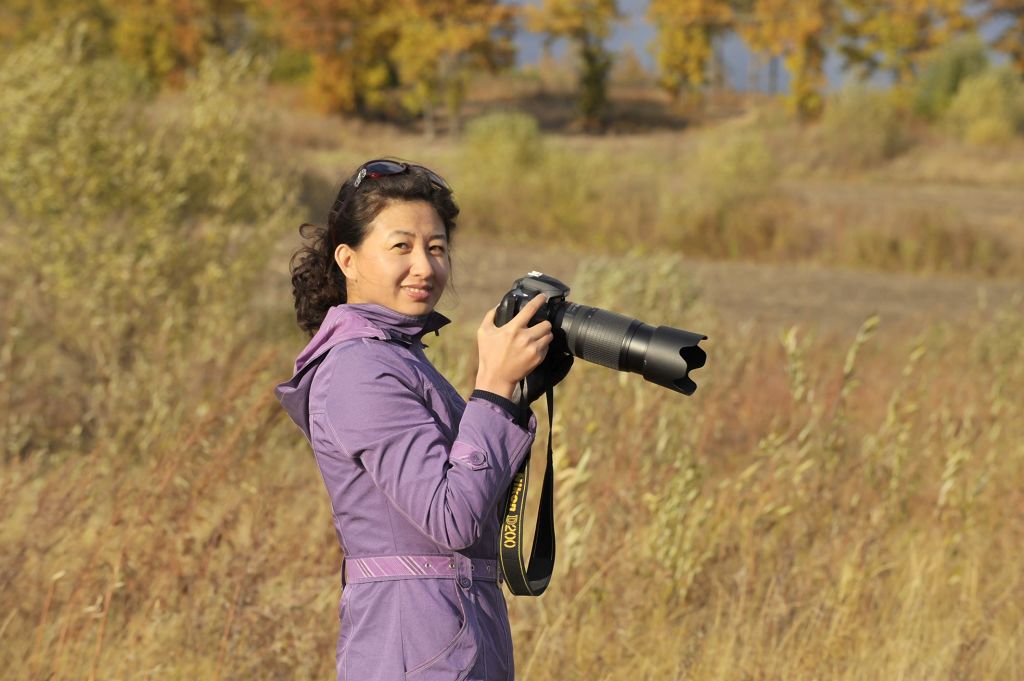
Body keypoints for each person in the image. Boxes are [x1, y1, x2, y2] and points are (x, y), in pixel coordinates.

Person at [275, 159, 553, 681]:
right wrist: (492, 389)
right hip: (417, 647)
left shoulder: (396, 357)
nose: (425, 267)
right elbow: (451, 518)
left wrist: (511, 395)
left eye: (437, 247)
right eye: (401, 246)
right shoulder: (359, 367)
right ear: (348, 259)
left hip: (449, 635)